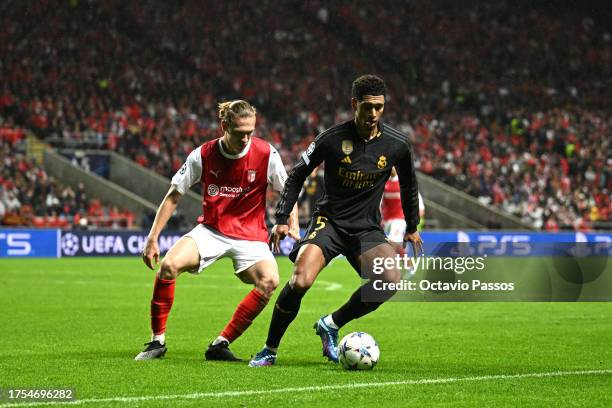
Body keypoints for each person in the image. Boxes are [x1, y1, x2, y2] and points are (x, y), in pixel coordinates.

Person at [249, 75, 423, 367]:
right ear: (354, 104)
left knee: (390, 280)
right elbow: (297, 175)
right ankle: (269, 348)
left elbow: (409, 185)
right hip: (328, 222)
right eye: (367, 107)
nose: (373, 114)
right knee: (301, 279)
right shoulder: (331, 139)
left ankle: (331, 323)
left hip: (365, 228)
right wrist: (282, 218)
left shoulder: (397, 145)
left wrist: (413, 227)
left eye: (379, 107)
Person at [135, 100, 299, 361]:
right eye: (239, 132)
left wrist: (291, 224)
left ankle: (220, 344)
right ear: (224, 126)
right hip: (211, 231)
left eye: (250, 132)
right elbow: (174, 195)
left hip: (251, 235)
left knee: (270, 281)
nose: (246, 138)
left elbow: (288, 190)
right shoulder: (203, 154)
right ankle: (157, 341)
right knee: (168, 266)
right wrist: (152, 237)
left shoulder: (267, 153)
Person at [381, 166, 426, 255]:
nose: (391, 168)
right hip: (387, 220)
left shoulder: (406, 184)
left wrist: (412, 224)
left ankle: (387, 266)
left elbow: (421, 209)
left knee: (392, 242)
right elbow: (381, 205)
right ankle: (408, 265)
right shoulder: (384, 184)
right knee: (397, 246)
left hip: (400, 220)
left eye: (394, 166)